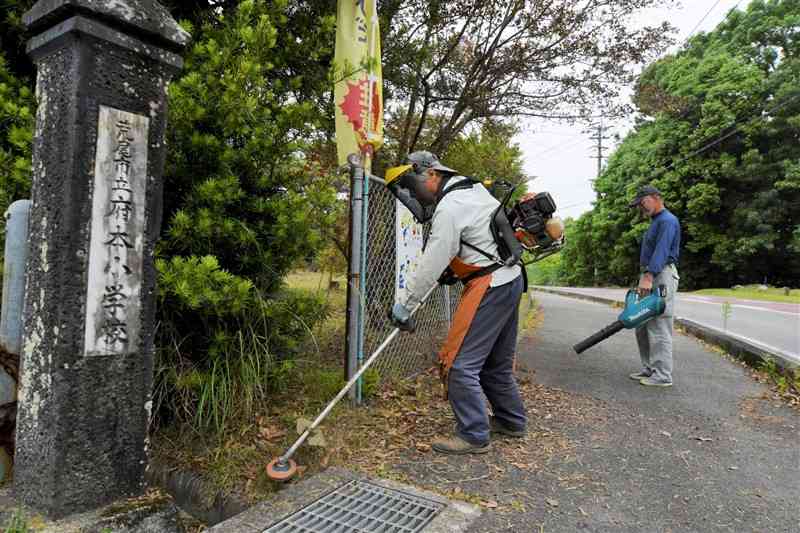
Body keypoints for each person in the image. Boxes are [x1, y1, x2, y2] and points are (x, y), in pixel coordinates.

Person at [388, 151, 527, 455]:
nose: (417, 192)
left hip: (490, 284)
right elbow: (480, 240)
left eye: (418, 183)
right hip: (510, 279)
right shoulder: (474, 191)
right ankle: (511, 420)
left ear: (434, 175)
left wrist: (405, 305)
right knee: (495, 363)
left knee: (459, 363)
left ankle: (474, 434)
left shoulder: (450, 207)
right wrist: (457, 268)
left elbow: (431, 262)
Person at [628, 185, 681, 387]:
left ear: (656, 197)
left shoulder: (667, 220)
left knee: (659, 324)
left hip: (661, 275)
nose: (642, 206)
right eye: (640, 204)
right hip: (650, 274)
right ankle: (649, 368)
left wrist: (649, 276)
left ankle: (663, 375)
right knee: (641, 322)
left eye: (644, 202)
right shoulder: (656, 221)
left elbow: (662, 250)